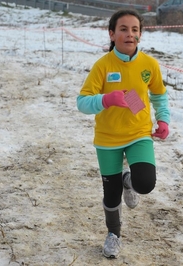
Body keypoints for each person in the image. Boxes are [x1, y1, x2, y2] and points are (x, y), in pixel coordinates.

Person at [76, 9, 170, 258]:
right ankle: (113, 234)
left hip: (139, 132)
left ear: (140, 35)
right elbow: (82, 102)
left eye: (135, 30)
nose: (130, 34)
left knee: (145, 183)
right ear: (112, 34)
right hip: (108, 138)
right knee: (111, 194)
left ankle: (129, 179)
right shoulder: (103, 65)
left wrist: (163, 120)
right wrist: (105, 99)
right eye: (124, 29)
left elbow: (159, 94)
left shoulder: (149, 65)